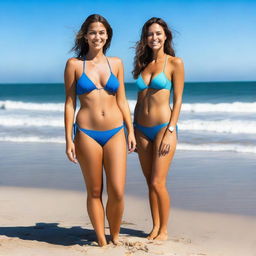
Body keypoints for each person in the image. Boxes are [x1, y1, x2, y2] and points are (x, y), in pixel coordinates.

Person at [64, 14, 136, 246]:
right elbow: (69, 103)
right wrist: (68, 139)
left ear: (108, 36)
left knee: (117, 191)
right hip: (86, 133)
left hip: (116, 131)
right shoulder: (74, 65)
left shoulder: (116, 63)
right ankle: (101, 241)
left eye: (102, 32)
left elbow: (123, 100)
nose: (98, 36)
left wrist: (131, 131)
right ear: (85, 35)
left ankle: (114, 235)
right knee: (95, 191)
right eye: (93, 32)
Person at [133, 17, 184, 240]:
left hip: (164, 128)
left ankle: (164, 230)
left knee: (157, 181)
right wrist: (132, 130)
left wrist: (170, 130)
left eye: (158, 33)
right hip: (141, 129)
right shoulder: (143, 65)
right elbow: (139, 100)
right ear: (145, 38)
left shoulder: (175, 63)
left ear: (165, 36)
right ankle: (154, 227)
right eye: (150, 34)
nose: (154, 37)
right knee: (149, 182)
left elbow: (179, 99)